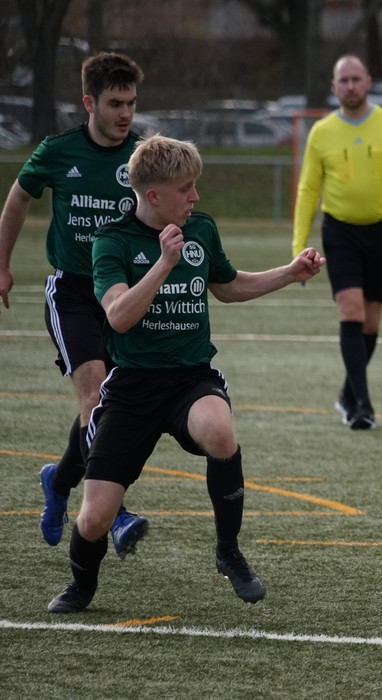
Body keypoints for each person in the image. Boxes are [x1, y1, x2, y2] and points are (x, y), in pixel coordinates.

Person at [46, 135, 326, 613]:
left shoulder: (202, 229)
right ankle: (82, 586)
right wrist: (163, 264)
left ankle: (228, 551)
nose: (195, 196)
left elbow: (229, 286)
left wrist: (290, 272)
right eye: (186, 188)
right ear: (154, 195)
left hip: (190, 378)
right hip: (131, 387)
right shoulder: (112, 241)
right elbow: (118, 316)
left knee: (219, 430)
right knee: (94, 519)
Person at [0, 52, 150, 554]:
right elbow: (19, 197)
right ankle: (115, 511)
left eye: (131, 103)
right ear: (89, 103)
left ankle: (60, 480)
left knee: (108, 404)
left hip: (121, 298)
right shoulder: (58, 151)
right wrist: (2, 264)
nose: (125, 113)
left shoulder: (144, 157)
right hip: (72, 293)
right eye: (115, 103)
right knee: (95, 395)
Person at [291, 54, 382, 430]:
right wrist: (299, 246)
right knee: (351, 310)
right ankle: (362, 406)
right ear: (334, 87)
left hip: (381, 232)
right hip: (339, 232)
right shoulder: (322, 132)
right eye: (343, 80)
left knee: (370, 323)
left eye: (355, 79)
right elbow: (308, 189)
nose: (350, 86)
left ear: (368, 82)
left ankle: (347, 394)